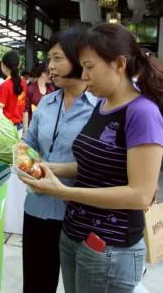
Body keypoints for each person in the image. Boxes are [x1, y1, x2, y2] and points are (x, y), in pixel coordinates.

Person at [20, 24, 163, 293]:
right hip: (77, 237)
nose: (84, 76)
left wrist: (63, 193)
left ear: (119, 64)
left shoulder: (142, 113)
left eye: (89, 67)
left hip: (110, 246)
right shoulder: (104, 105)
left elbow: (141, 195)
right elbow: (91, 167)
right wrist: (50, 168)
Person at [21, 27, 97, 293]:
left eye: (57, 59)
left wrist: (50, 169)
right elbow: (28, 144)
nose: (49, 67)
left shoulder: (100, 108)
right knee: (36, 284)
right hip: (37, 209)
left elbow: (103, 165)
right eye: (49, 59)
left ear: (78, 59)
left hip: (77, 215)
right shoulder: (46, 103)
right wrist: (22, 158)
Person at [22, 61, 55, 135]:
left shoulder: (51, 89)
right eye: (49, 73)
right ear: (43, 74)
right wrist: (26, 130)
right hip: (33, 127)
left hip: (48, 127)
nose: (52, 75)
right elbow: (25, 110)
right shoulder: (29, 89)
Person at [0, 51, 27, 128]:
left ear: (2, 65)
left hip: (7, 128)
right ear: (18, 65)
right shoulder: (23, 82)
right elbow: (24, 106)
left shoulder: (4, 86)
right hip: (20, 126)